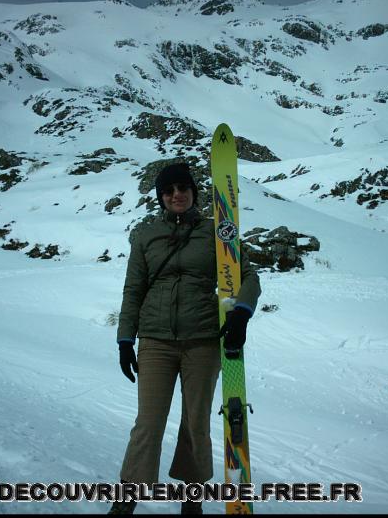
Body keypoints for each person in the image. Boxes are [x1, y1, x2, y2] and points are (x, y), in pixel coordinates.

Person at [109, 162, 261, 515]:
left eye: (183, 188)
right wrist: (124, 340)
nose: (177, 194)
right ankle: (126, 499)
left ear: (193, 192)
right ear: (160, 197)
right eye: (168, 190)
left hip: (203, 340)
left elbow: (248, 276)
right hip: (156, 341)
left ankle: (191, 500)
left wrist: (241, 312)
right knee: (148, 423)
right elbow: (134, 290)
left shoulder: (217, 232)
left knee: (196, 423)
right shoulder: (145, 235)